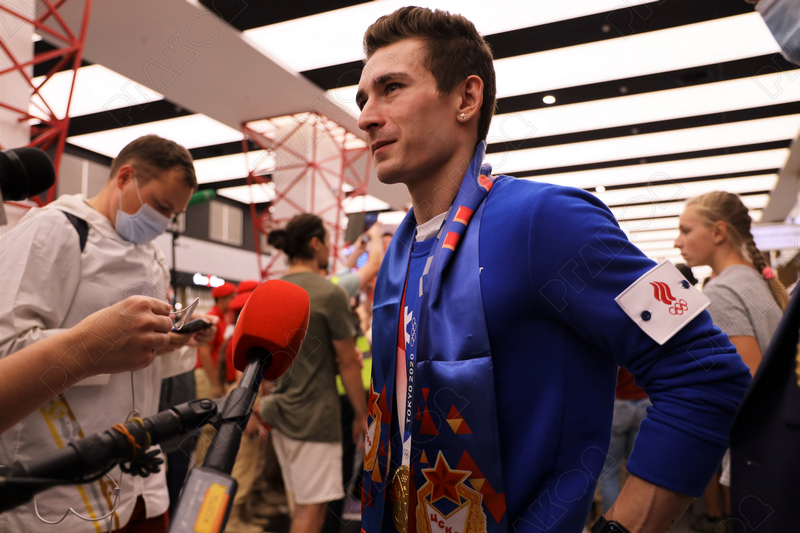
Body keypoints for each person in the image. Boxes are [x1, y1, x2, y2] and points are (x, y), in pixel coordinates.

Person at [356, 8, 751, 533]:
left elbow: (706, 370)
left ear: (467, 99)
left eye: (391, 88)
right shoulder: (398, 253)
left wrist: (621, 528)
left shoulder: (546, 220)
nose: (366, 117)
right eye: (363, 99)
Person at [0, 134, 208, 533]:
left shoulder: (152, 255)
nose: (163, 221)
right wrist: (98, 347)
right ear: (125, 177)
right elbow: (9, 352)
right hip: (57, 476)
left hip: (139, 474)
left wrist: (167, 340)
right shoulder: (55, 228)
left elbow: (134, 359)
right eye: (160, 205)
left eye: (173, 214)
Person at [674, 192, 786, 531]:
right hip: (777, 446)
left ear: (718, 232)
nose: (678, 242)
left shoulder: (721, 291)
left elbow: (748, 385)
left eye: (686, 230)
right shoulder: (758, 280)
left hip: (756, 454)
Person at [259, 214, 368, 533]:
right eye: (327, 242)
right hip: (314, 417)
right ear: (315, 243)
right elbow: (348, 362)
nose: (330, 250)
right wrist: (361, 414)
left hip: (280, 412)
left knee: (300, 504)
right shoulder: (328, 293)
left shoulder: (270, 290)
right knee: (312, 511)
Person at [0, 296, 172, 435]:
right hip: (55, 439)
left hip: (131, 436)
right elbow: (9, 349)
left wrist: (155, 343)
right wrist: (88, 348)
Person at [597, 368, 650, 512]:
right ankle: (635, 521)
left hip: (617, 404)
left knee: (609, 474)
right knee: (637, 474)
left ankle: (614, 522)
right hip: (644, 402)